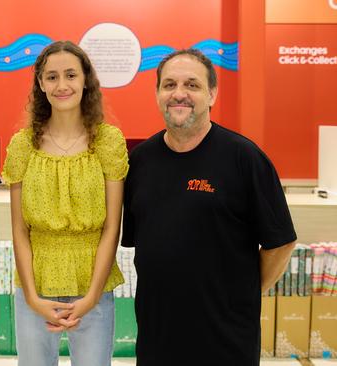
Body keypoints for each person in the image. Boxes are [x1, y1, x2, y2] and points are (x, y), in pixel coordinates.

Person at [121, 49, 296, 365]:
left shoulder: (244, 158)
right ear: (157, 93)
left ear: (212, 93)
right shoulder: (139, 161)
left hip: (226, 340)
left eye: (192, 85)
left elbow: (281, 242)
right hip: (157, 338)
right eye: (169, 84)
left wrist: (241, 295)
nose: (179, 94)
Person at [2, 41, 128, 366]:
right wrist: (31, 296)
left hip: (93, 287)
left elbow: (112, 227)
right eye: (52, 77)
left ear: (85, 80)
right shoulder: (22, 145)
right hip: (36, 286)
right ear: (41, 84)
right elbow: (19, 229)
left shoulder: (108, 141)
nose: (62, 85)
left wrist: (91, 297)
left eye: (71, 75)